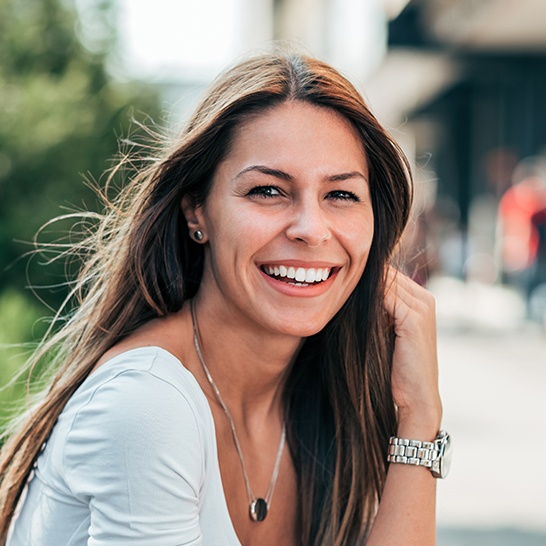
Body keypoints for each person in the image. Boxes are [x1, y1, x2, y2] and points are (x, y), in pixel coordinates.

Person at [0, 51, 450, 546]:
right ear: (198, 212)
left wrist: (419, 416)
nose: (311, 229)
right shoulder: (146, 402)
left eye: (341, 195)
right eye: (267, 191)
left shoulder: (325, 396)